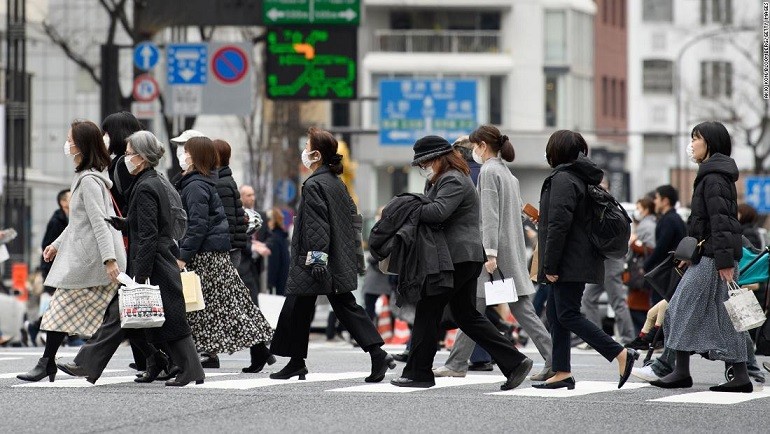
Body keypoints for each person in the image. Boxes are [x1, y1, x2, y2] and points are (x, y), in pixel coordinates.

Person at [57, 131, 204, 386]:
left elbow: (148, 234)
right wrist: (124, 223)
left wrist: (140, 274)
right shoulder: (151, 182)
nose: (126, 158)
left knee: (159, 316)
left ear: (142, 157)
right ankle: (89, 364)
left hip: (153, 261)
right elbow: (150, 224)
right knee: (131, 315)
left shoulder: (146, 186)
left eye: (129, 153)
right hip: (158, 258)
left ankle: (191, 370)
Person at [389, 135, 534, 390]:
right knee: (466, 315)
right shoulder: (449, 178)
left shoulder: (453, 179)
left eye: (425, 163)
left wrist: (407, 207)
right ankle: (514, 361)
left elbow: (437, 212)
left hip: (456, 257)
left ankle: (418, 372)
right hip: (462, 257)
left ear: (437, 158)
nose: (424, 168)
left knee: (428, 309)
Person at [269, 127, 394, 383]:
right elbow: (352, 218)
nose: (303, 151)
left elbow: (318, 225)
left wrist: (316, 259)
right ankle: (298, 362)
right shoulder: (336, 182)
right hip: (336, 257)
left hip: (316, 260)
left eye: (306, 146)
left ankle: (376, 353)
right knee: (325, 306)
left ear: (316, 154)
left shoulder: (315, 184)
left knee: (303, 307)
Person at [433, 125, 554, 382]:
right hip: (510, 252)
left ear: (482, 146)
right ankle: (457, 362)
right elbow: (511, 211)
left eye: (475, 145)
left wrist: (489, 253)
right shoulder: (508, 174)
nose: (473, 151)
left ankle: (554, 360)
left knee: (481, 309)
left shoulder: (488, 172)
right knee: (483, 310)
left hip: (492, 257)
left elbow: (489, 216)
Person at [17, 120, 127, 382]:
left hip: (91, 261)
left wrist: (109, 260)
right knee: (121, 318)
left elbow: (100, 223)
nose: (67, 144)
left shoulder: (89, 180)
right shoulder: (87, 177)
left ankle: (46, 363)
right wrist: (55, 245)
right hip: (88, 259)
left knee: (60, 310)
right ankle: (160, 357)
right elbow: (79, 222)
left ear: (82, 145)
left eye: (70, 139)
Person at [649, 121, 751, 393]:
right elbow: (706, 223)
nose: (691, 144)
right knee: (728, 315)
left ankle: (682, 372)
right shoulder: (713, 174)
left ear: (710, 144)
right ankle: (739, 376)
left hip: (714, 261)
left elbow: (722, 222)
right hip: (708, 256)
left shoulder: (714, 177)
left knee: (680, 307)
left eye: (696, 138)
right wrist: (691, 251)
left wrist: (725, 261)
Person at [535, 129, 637, 390]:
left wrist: (550, 266)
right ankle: (562, 371)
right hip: (578, 259)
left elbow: (558, 226)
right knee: (557, 315)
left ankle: (620, 353)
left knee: (567, 314)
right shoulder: (579, 179)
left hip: (569, 261)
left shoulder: (562, 179)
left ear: (555, 151)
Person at [175, 135, 275, 373]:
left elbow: (198, 225)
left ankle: (189, 359)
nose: (183, 155)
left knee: (220, 306)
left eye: (186, 151)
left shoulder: (202, 184)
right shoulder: (211, 180)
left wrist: (183, 255)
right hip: (218, 251)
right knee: (229, 305)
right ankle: (258, 349)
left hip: (210, 255)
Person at [101, 111, 150, 371]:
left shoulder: (122, 164)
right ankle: (150, 358)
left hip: (128, 239)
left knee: (127, 303)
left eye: (107, 131)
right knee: (134, 303)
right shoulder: (130, 163)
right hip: (133, 238)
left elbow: (124, 203)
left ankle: (153, 358)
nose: (103, 137)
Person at [580, 175, 636, 346]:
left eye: (602, 186)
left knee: (617, 300)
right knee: (588, 298)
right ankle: (595, 338)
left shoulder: (610, 206)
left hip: (612, 260)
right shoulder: (600, 205)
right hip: (601, 260)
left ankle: (628, 338)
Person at [212, 139, 248, 267]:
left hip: (228, 250)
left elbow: (228, 220)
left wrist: (223, 249)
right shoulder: (224, 179)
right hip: (230, 248)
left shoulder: (222, 184)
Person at [625, 196, 657, 339]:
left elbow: (650, 247)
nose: (637, 211)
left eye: (639, 208)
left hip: (641, 270)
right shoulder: (645, 223)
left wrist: (634, 244)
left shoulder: (648, 225)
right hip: (639, 270)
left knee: (638, 305)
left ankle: (643, 336)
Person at [237, 184, 270, 303]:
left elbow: (268, 236)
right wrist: (253, 247)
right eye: (248, 195)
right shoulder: (236, 215)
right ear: (240, 197)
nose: (253, 198)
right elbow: (237, 238)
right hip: (241, 266)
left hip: (254, 266)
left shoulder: (260, 215)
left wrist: (260, 245)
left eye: (253, 194)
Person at [266, 207, 290, 296]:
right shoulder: (282, 237)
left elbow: (274, 264)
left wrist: (269, 283)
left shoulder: (274, 239)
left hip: (278, 285)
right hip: (285, 281)